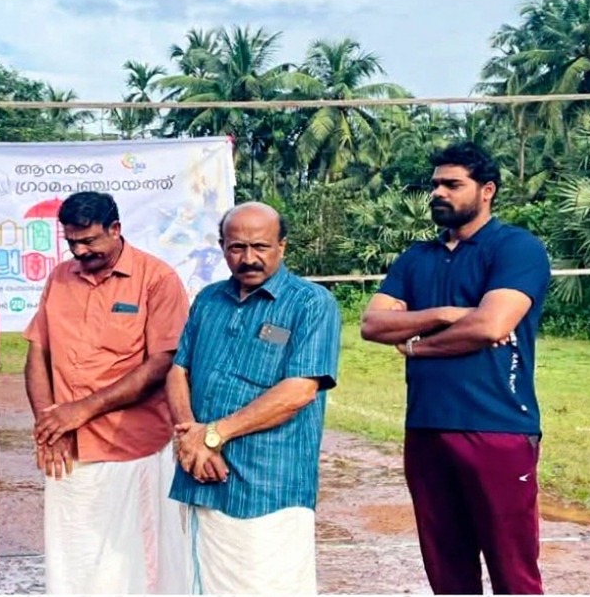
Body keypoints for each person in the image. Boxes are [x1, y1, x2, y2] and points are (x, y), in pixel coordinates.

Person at [360, 142, 551, 595]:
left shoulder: (516, 248)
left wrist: (417, 348)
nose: (438, 193)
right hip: (426, 428)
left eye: (452, 184)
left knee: (513, 570)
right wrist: (445, 313)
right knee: (447, 572)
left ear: (487, 190)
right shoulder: (416, 258)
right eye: (435, 185)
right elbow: (372, 324)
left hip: (497, 426)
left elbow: (490, 325)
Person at [168, 202, 340, 595]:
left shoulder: (311, 304)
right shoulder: (209, 300)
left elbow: (299, 390)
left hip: (268, 481)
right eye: (237, 247)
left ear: (282, 245)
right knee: (200, 582)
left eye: (260, 246)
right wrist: (191, 437)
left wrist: (213, 435)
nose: (248, 259)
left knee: (269, 585)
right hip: (201, 474)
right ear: (221, 246)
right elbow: (178, 370)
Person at [23, 191, 190, 594]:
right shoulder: (59, 278)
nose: (80, 251)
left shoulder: (157, 279)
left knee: (136, 568)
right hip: (68, 449)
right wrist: (49, 424)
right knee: (73, 564)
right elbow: (38, 353)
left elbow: (162, 363)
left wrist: (81, 410)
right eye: (72, 242)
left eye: (89, 241)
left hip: (132, 448)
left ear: (115, 229)